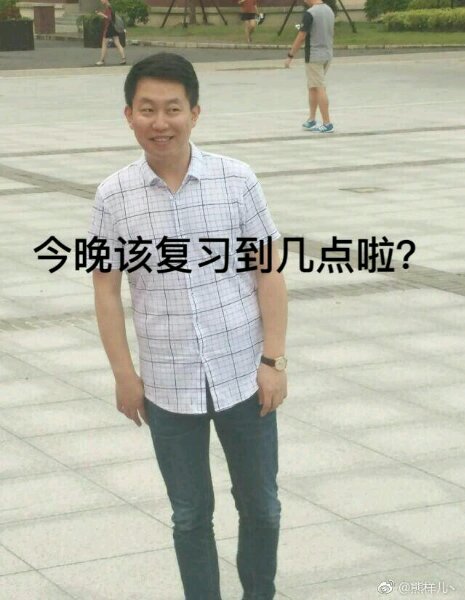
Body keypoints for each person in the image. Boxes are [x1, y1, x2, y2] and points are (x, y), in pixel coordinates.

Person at [89, 53, 288, 600]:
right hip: (167, 384)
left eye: (172, 108)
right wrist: (123, 374)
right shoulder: (113, 196)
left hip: (244, 375)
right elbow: (105, 288)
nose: (161, 122)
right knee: (190, 515)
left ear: (194, 113)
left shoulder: (236, 179)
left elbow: (269, 271)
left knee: (262, 505)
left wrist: (274, 360)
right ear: (128, 115)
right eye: (147, 109)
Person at [285, 0, 335, 133]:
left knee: (319, 87)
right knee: (313, 86)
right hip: (327, 54)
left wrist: (290, 55)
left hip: (314, 55)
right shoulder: (329, 10)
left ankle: (327, 123)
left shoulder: (310, 13)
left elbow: (301, 36)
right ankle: (312, 119)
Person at [95, 0, 126, 66]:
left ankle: (102, 60)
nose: (101, 1)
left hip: (109, 27)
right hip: (114, 27)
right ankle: (123, 59)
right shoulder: (110, 6)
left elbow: (109, 18)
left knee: (104, 44)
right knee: (117, 43)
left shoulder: (108, 6)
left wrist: (101, 14)